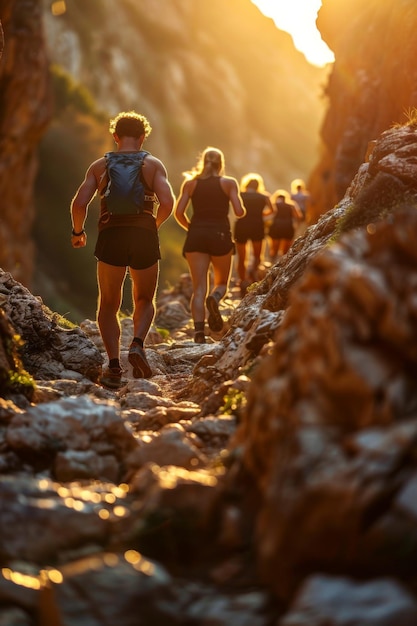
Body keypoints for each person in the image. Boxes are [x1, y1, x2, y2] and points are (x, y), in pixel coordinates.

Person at [70, 111, 175, 389]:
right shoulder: (153, 165)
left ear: (115, 137)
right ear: (142, 137)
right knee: (143, 299)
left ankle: (114, 367)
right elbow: (168, 202)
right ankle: (138, 344)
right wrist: (154, 225)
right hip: (143, 235)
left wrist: (78, 232)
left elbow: (79, 203)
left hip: (111, 235)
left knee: (108, 304)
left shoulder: (98, 166)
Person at [174, 147, 246, 344]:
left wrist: (192, 227)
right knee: (222, 283)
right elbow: (239, 212)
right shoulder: (229, 183)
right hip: (220, 235)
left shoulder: (190, 184)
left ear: (203, 162)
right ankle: (214, 298)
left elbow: (178, 212)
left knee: (198, 289)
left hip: (196, 236)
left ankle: (198, 333)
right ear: (221, 164)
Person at [234, 173, 273, 297]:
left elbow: (236, 210)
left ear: (246, 184)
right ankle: (253, 276)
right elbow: (273, 210)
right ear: (258, 186)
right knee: (257, 255)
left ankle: (242, 281)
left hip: (241, 225)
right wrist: (261, 216)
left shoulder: (240, 195)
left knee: (241, 257)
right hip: (257, 225)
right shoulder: (264, 196)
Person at [268, 189, 303, 260]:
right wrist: (296, 226)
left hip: (276, 227)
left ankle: (272, 263)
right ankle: (282, 264)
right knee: (286, 250)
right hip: (288, 227)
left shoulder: (274, 204)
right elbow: (299, 217)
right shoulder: (291, 205)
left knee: (274, 248)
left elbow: (269, 214)